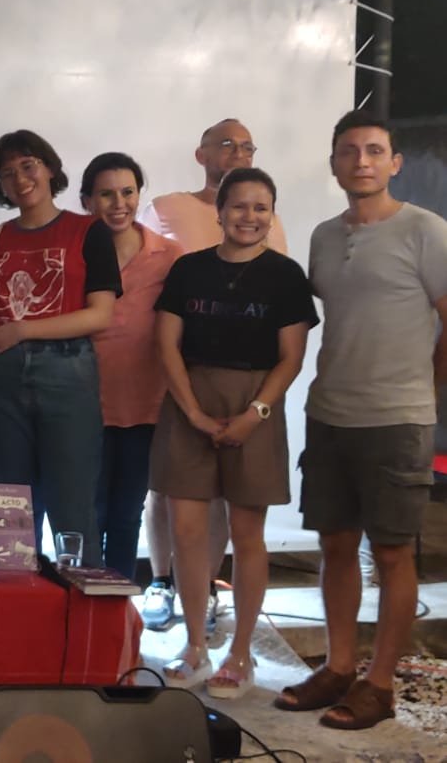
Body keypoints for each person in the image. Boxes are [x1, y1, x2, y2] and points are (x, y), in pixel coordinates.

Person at [274, 111, 447, 729]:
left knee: (394, 553)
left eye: (375, 150)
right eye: (349, 151)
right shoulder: (324, 236)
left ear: (395, 162)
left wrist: (424, 389)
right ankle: (340, 667)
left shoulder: (426, 229)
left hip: (397, 419)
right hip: (329, 413)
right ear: (334, 165)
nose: (362, 161)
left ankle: (380, 684)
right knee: (336, 543)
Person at [151, 168, 317, 697]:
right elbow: (166, 344)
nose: (250, 216)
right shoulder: (189, 269)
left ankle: (241, 653)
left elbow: (291, 357)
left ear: (272, 214)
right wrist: (193, 413)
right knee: (187, 532)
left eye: (261, 207)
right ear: (219, 213)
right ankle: (195, 644)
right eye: (239, 206)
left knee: (248, 536)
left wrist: (255, 414)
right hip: (189, 401)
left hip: (256, 404)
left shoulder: (286, 276)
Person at [137, 118, 287, 633]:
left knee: (226, 497)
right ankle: (161, 581)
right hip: (179, 373)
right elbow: (144, 276)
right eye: (227, 144)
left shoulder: (268, 223)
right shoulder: (168, 208)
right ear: (201, 155)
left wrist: (259, 402)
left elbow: (278, 303)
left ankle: (206, 587)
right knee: (168, 491)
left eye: (247, 145)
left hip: (246, 383)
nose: (239, 152)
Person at [0, 131, 120, 563]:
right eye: (7, 173)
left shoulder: (88, 231)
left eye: (28, 166)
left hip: (67, 376)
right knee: (8, 516)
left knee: (73, 511)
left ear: (49, 169)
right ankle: (11, 602)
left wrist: (23, 329)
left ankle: (80, 604)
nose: (20, 178)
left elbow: (100, 314)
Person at [81, 152, 183, 579]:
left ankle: (117, 604)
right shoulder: (74, 250)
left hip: (144, 406)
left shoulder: (170, 256)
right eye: (106, 194)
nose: (118, 203)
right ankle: (82, 601)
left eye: (127, 192)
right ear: (87, 201)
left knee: (126, 514)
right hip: (81, 405)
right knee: (87, 514)